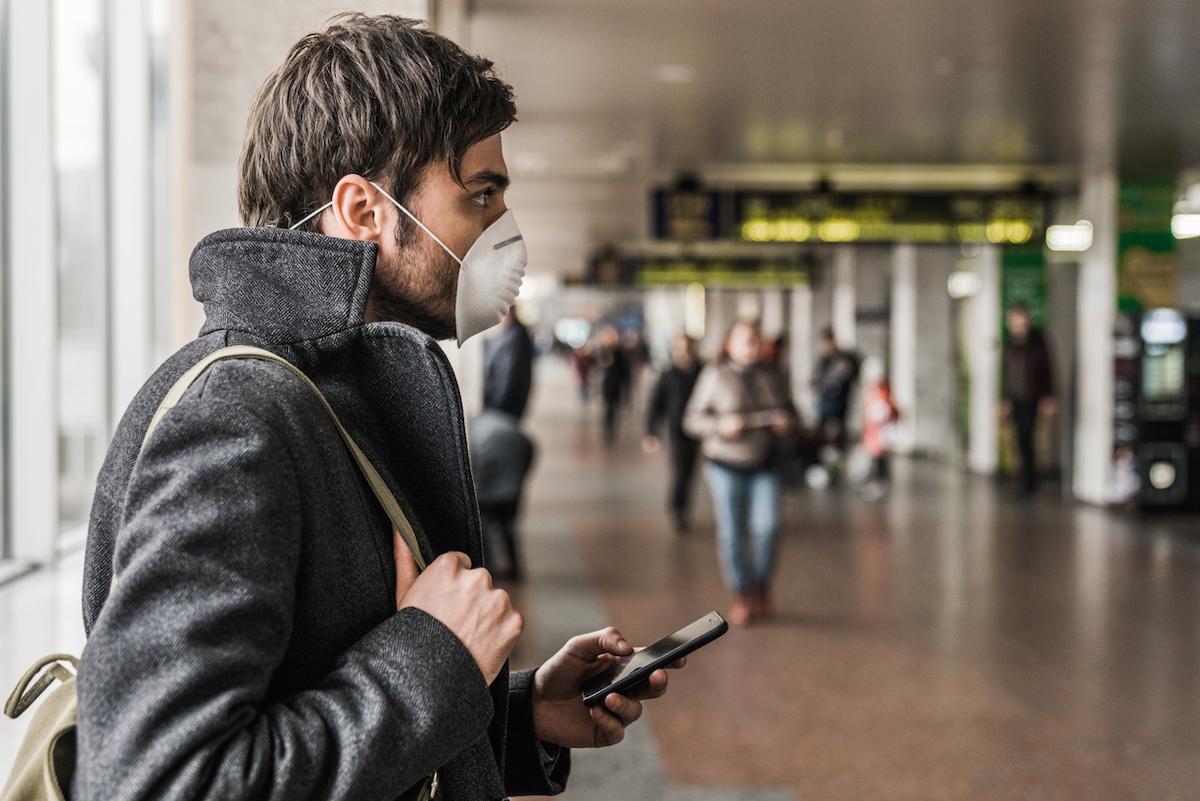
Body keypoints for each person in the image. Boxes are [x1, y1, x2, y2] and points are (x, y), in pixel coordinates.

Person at [74, 16, 680, 801]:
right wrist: (435, 655)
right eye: (481, 195)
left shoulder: (332, 393)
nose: (505, 229)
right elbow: (157, 781)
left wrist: (517, 715)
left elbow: (313, 685)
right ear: (363, 211)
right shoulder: (240, 417)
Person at [684, 321, 797, 626]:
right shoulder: (715, 375)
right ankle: (742, 592)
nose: (751, 345)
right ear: (729, 344)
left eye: (755, 339)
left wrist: (787, 423)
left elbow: (793, 413)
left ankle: (761, 583)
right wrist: (721, 426)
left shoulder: (772, 375)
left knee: (768, 526)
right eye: (744, 339)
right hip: (725, 465)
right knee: (733, 532)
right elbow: (692, 419)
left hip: (764, 462)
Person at [643, 334, 703, 533]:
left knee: (689, 473)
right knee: (679, 472)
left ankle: (683, 505)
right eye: (680, 347)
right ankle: (678, 509)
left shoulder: (703, 372)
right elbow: (655, 403)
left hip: (697, 431)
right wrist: (651, 432)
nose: (684, 350)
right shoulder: (669, 374)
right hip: (675, 430)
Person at [470, 407, 535, 580]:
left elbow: (476, 467)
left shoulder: (476, 433)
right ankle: (514, 568)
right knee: (508, 527)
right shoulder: (493, 422)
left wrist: (479, 492)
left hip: (491, 483)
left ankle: (488, 568)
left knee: (483, 528)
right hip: (512, 483)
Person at [1001, 305, 1056, 494]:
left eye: (1021, 322)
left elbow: (1047, 370)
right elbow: (1005, 374)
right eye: (1015, 322)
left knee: (1027, 436)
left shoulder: (1038, 343)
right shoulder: (1009, 344)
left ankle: (1030, 480)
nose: (1019, 326)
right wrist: (1004, 399)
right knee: (1018, 439)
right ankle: (1023, 476)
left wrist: (1048, 396)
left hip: (1032, 398)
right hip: (1015, 399)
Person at [811, 327, 860, 450]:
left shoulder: (844, 358)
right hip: (825, 401)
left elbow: (849, 373)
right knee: (822, 430)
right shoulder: (824, 360)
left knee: (838, 431)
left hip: (838, 401)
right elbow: (817, 378)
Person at [484, 306, 534, 420]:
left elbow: (507, 374)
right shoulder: (511, 334)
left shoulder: (515, 336)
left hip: (505, 406)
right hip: (506, 405)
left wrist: (496, 405)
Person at [859, 356, 899, 497]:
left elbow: (882, 410)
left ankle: (880, 481)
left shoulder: (881, 390)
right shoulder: (874, 390)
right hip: (873, 430)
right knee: (875, 455)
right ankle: (877, 480)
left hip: (878, 430)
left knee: (879, 456)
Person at [597, 325, 631, 445]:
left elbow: (625, 370)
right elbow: (600, 365)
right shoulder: (603, 351)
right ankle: (608, 430)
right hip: (608, 385)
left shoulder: (619, 352)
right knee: (608, 409)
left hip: (617, 385)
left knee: (615, 409)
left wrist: (626, 385)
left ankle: (612, 429)